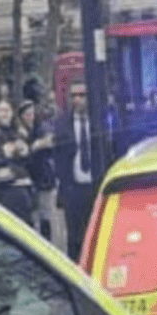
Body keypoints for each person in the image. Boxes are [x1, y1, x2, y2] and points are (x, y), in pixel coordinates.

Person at [55, 81, 97, 260]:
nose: (78, 100)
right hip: (74, 188)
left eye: (82, 95)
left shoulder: (98, 120)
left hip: (95, 186)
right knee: (75, 237)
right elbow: (59, 157)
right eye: (74, 96)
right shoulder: (63, 123)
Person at [18, 100, 64, 247]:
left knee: (45, 214)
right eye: (26, 114)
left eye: (31, 113)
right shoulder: (20, 132)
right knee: (33, 213)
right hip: (29, 177)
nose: (29, 116)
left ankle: (47, 244)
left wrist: (33, 147)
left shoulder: (41, 128)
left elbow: (49, 141)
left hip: (44, 177)